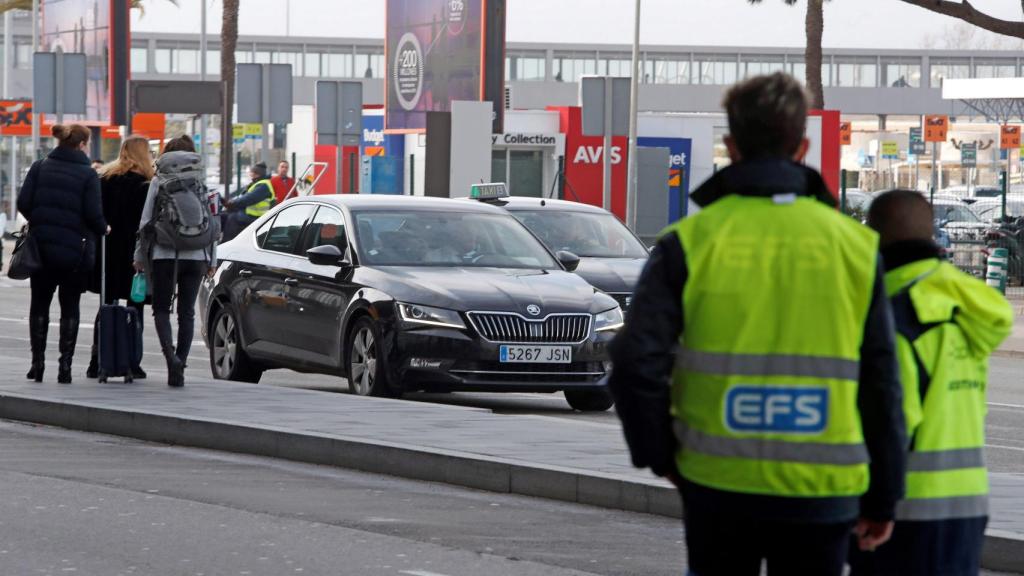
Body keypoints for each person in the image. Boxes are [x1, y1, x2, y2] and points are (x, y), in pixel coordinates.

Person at [607, 72, 907, 576]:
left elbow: (635, 360)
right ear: (802, 147)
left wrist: (662, 457)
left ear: (731, 145)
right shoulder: (854, 246)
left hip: (717, 486)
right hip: (823, 489)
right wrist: (885, 495)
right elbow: (882, 380)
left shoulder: (690, 241)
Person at [848, 190, 1014, 576]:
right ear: (932, 236)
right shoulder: (964, 305)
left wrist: (875, 505)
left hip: (903, 511)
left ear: (874, 238)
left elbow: (890, 424)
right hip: (966, 505)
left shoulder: (893, 317)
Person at [17, 124, 108, 384]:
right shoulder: (88, 175)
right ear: (81, 144)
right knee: (70, 308)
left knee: (39, 305)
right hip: (74, 253)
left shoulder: (39, 167)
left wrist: (41, 221)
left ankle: (38, 364)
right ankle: (65, 367)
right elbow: (93, 214)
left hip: (41, 249)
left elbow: (24, 203)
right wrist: (104, 228)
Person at [134, 135, 217, 387]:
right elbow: (213, 223)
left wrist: (139, 254)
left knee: (160, 309)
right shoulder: (201, 180)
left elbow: (145, 220)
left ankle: (171, 360)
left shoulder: (159, 180)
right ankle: (182, 359)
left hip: (164, 254)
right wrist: (211, 260)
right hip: (197, 255)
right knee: (187, 313)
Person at [86, 135, 156, 379]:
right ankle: (131, 361)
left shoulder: (104, 178)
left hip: (107, 251)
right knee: (135, 307)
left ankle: (97, 359)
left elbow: (94, 213)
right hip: (135, 253)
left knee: (107, 305)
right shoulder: (147, 184)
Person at [222, 162, 273, 241]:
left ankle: (227, 242)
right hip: (250, 213)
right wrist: (232, 203)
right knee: (223, 215)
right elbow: (243, 196)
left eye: (252, 172)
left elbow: (248, 199)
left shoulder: (263, 186)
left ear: (257, 174)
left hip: (256, 216)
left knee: (232, 218)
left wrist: (232, 203)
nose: (250, 174)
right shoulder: (257, 183)